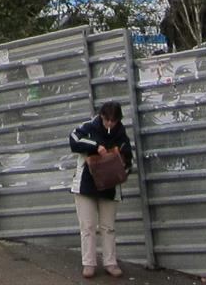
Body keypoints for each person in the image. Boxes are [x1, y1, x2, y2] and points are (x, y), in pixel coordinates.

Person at [68, 100, 131, 279]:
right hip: (85, 185)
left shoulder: (121, 133)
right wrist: (96, 147)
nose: (110, 124)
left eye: (114, 120)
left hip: (110, 185)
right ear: (101, 116)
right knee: (87, 226)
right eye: (107, 119)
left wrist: (120, 164)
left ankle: (110, 262)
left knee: (108, 227)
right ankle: (88, 264)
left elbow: (128, 157)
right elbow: (73, 140)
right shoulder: (89, 126)